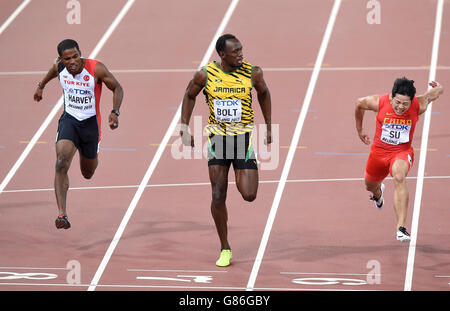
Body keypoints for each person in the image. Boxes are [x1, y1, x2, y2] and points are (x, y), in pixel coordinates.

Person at [180, 34, 272, 266]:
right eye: (236, 52)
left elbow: (264, 93)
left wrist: (269, 126)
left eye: (241, 50)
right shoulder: (205, 74)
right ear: (222, 55)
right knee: (218, 194)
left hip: (242, 140)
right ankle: (225, 248)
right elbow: (189, 95)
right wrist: (184, 127)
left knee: (249, 195)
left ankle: (243, 170)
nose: (241, 54)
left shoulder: (253, 73)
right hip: (218, 141)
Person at [33, 39, 123, 229]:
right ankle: (62, 215)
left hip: (90, 126)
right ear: (61, 59)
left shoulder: (95, 69)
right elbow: (52, 71)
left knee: (87, 173)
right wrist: (41, 86)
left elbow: (117, 87)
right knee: (61, 161)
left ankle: (88, 151)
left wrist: (115, 111)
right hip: (70, 121)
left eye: (76, 56)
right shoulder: (60, 68)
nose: (73, 61)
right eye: (68, 59)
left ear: (80, 53)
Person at [355, 77, 443, 242]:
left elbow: (433, 94)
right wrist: (360, 130)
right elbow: (359, 103)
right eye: (397, 102)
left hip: (401, 152)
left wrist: (439, 87)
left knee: (399, 176)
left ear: (412, 101)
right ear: (391, 97)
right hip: (378, 153)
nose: (401, 107)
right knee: (369, 186)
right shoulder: (378, 102)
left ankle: (401, 228)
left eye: (405, 104)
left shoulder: (418, 105)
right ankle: (378, 193)